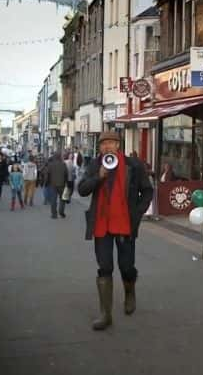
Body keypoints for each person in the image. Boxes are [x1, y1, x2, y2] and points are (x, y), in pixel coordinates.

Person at [78, 131, 153, 331]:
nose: (107, 147)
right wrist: (98, 177)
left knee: (126, 266)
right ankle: (105, 314)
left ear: (118, 145)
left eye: (111, 143)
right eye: (104, 144)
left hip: (124, 225)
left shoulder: (133, 165)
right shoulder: (95, 165)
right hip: (102, 225)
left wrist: (136, 214)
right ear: (100, 147)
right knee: (105, 267)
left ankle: (130, 292)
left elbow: (147, 191)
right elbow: (82, 189)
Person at [42, 154, 68, 219]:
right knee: (63, 199)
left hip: (53, 184)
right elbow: (66, 174)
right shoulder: (63, 164)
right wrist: (66, 182)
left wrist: (46, 183)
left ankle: (54, 214)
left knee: (53, 199)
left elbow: (47, 174)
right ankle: (61, 211)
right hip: (62, 184)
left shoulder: (50, 165)